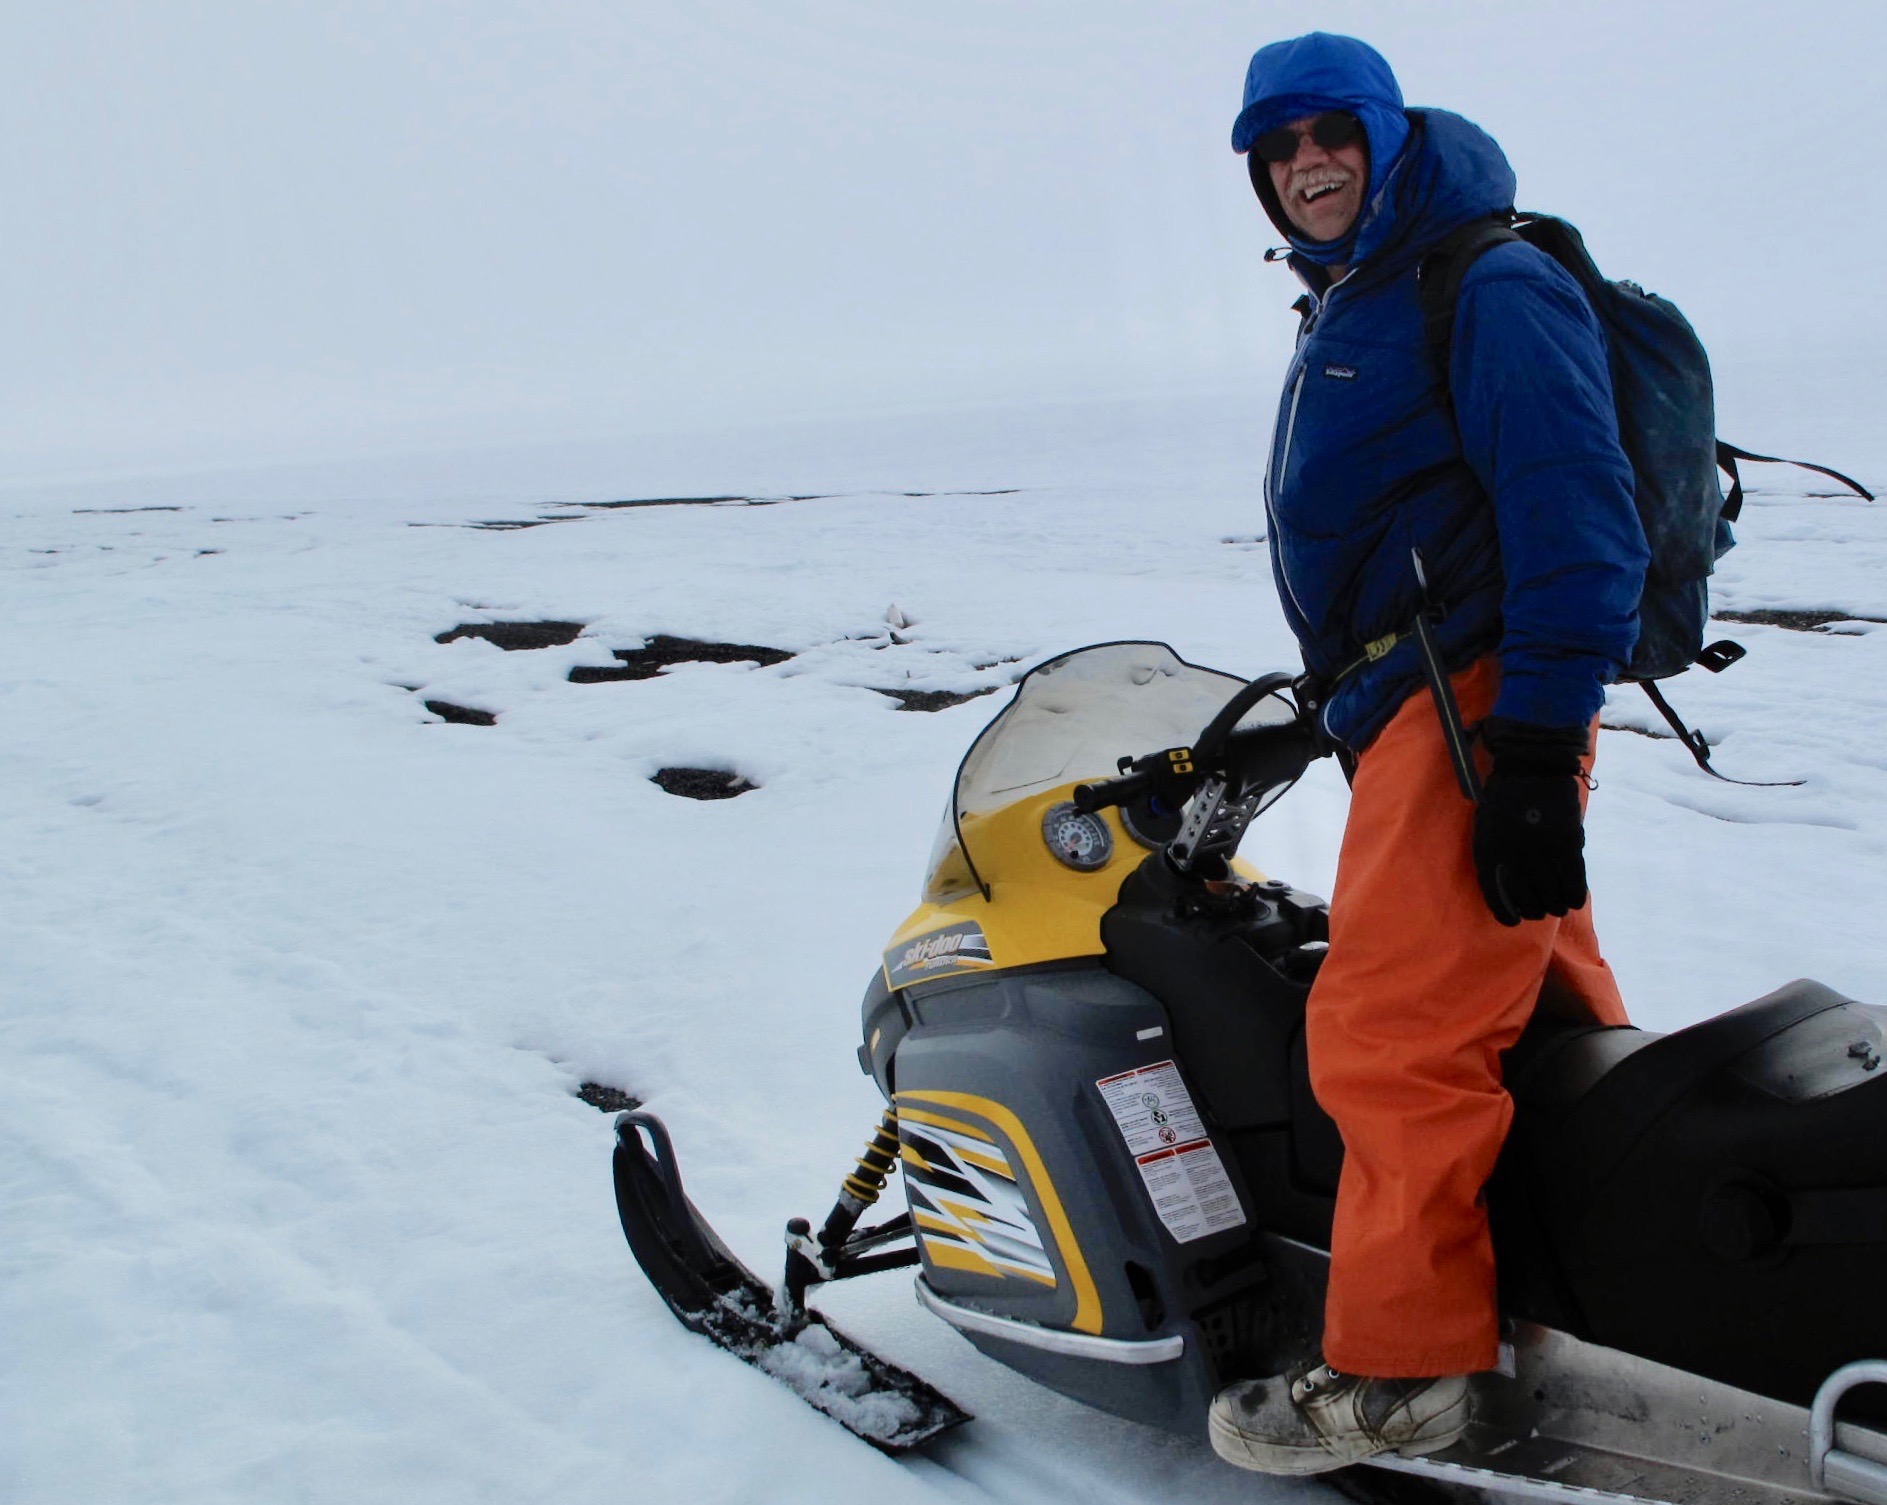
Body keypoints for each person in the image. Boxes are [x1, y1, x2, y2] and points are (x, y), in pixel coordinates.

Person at [1204, 33, 1651, 1475]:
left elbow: (1580, 517)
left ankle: (1407, 1375)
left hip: (1471, 708)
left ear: (1390, 138)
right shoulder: (1365, 290)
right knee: (1535, 1003)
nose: (1305, 163)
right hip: (1424, 705)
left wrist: (1529, 750)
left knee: (1389, 1033)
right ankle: (1606, 1290)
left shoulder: (1486, 279)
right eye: (1277, 150)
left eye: (1330, 134)